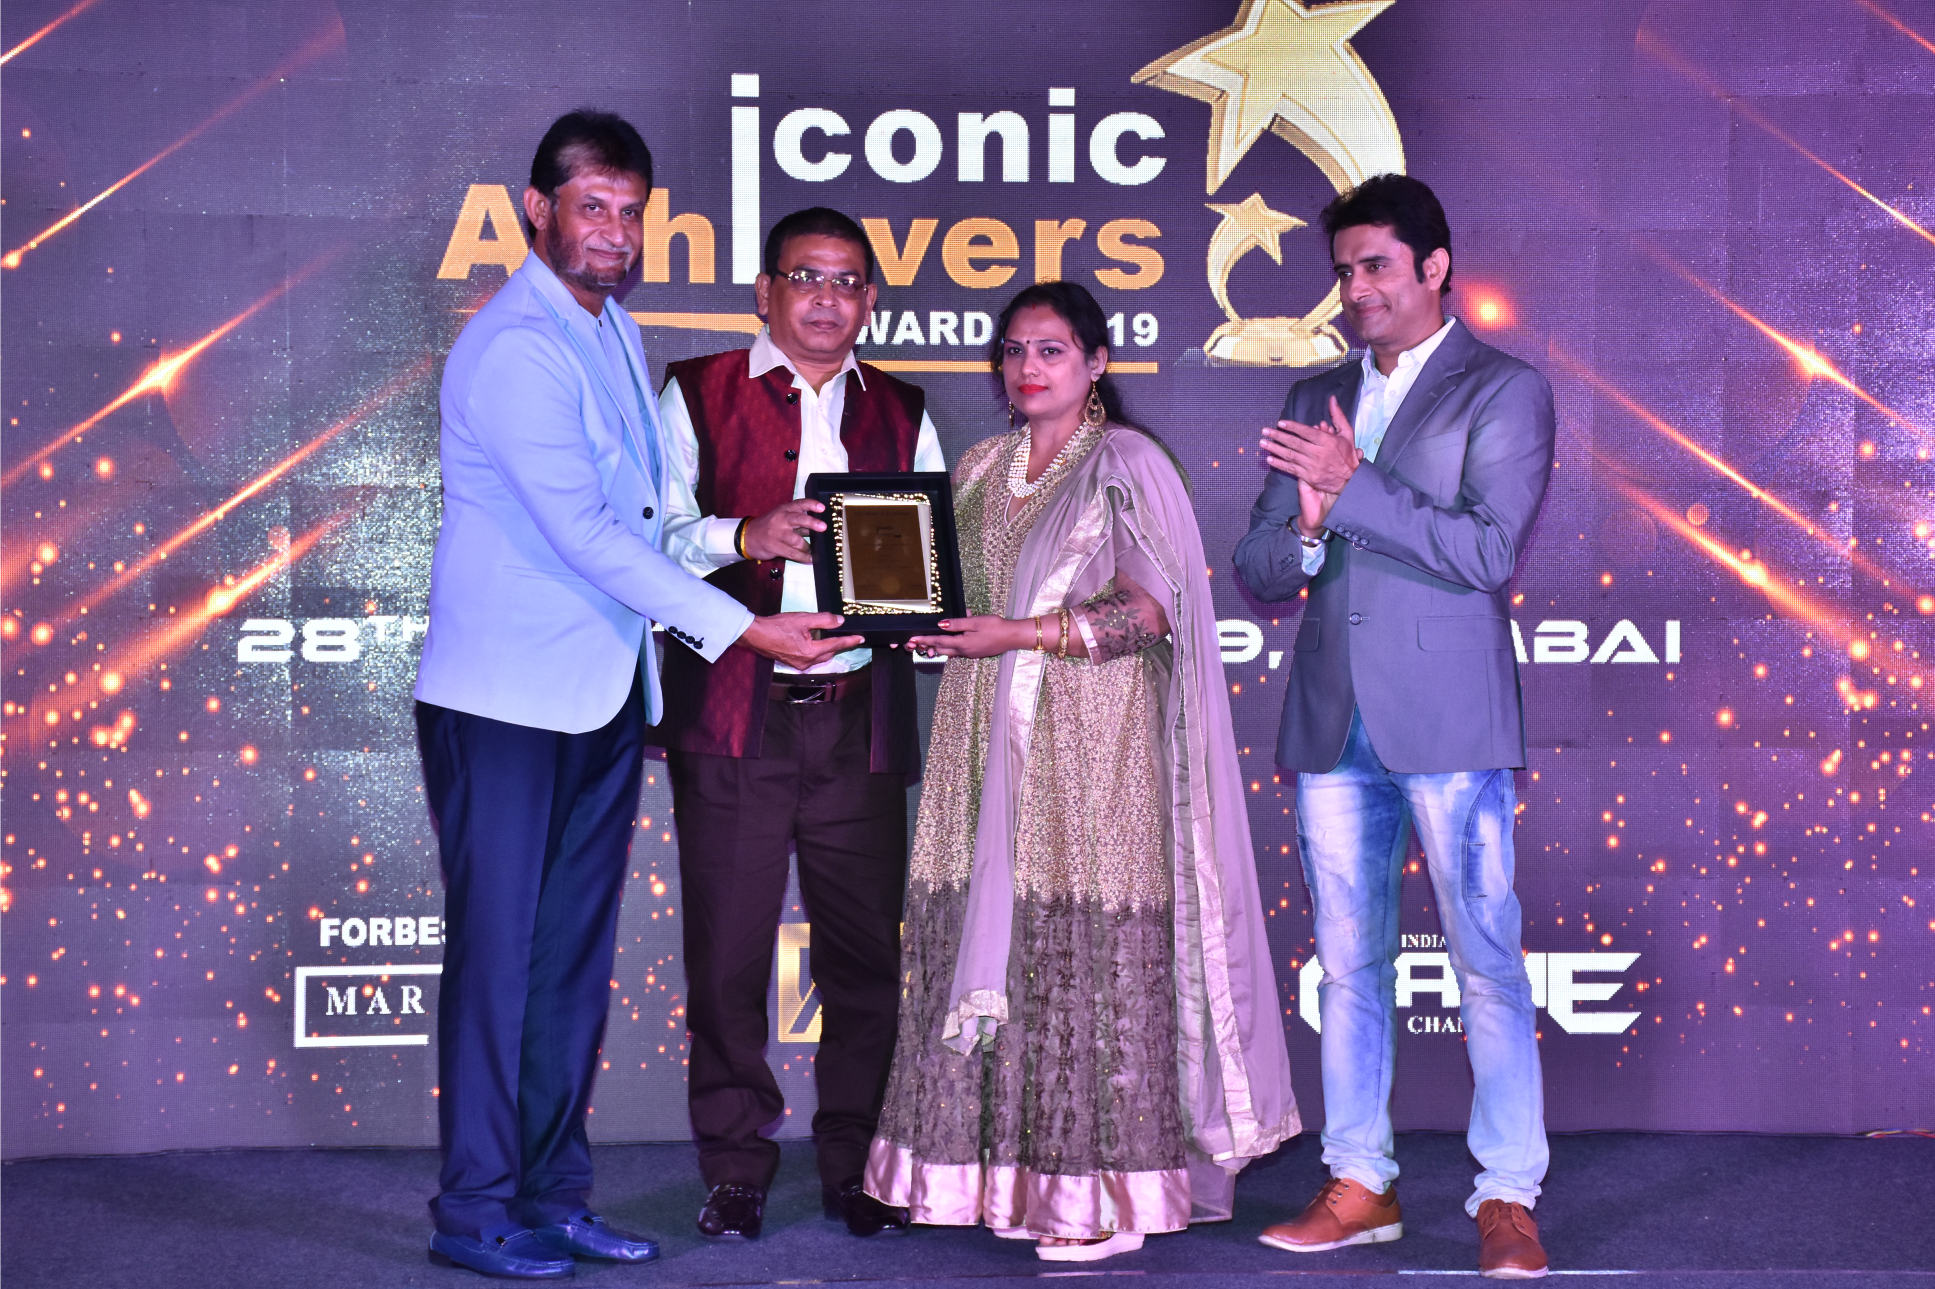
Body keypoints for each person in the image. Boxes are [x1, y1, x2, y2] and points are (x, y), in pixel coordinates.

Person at [413, 113, 859, 1280]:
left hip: (604, 694)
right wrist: (745, 623)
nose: (614, 231)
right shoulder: (516, 345)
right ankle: (474, 1208)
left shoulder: (612, 328)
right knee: (501, 963)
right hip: (505, 705)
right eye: (592, 207)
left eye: (630, 210)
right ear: (537, 209)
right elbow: (584, 534)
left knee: (567, 963)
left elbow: (650, 517)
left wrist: (736, 544)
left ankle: (552, 1196)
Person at [863, 281, 1299, 1264]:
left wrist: (1018, 633)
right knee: (994, 938)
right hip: (984, 732)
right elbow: (952, 592)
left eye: (1051, 349)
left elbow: (1147, 612)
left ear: (1096, 362)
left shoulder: (1128, 462)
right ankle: (991, 1181)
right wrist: (929, 626)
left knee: (1087, 951)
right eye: (1014, 351)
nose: (1028, 368)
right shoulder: (980, 467)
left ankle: (1105, 1194)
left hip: (1095, 747)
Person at [1233, 174, 1556, 1280]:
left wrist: (1356, 483)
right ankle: (1359, 1179)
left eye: (1375, 265)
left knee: (1486, 963)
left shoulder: (1502, 389)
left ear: (1435, 267)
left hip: (1449, 721)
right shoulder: (1314, 389)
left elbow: (1486, 551)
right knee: (1348, 965)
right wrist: (1308, 531)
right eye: (1343, 270)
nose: (1355, 288)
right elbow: (1260, 565)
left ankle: (1506, 1193)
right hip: (1334, 721)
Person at [654, 207, 945, 1242]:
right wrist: (745, 532)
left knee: (864, 959)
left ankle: (857, 1163)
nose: (828, 299)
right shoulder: (696, 390)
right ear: (765, 291)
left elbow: (925, 561)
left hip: (857, 717)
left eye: (848, 281)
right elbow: (648, 539)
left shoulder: (904, 408)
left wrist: (926, 613)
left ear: (871, 299)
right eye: (806, 277)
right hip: (736, 713)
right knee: (727, 957)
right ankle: (735, 1166)